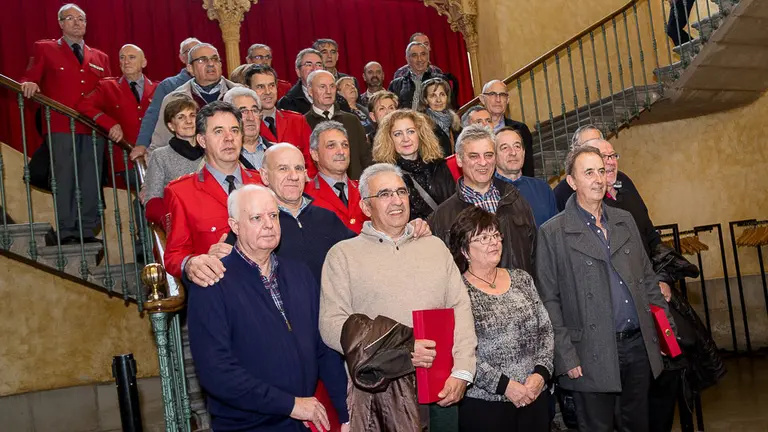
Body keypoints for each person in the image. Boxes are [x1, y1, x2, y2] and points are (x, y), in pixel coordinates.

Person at [319, 163, 477, 431]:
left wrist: (462, 369)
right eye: (384, 194)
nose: (396, 201)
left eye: (401, 192)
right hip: (381, 391)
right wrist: (401, 349)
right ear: (366, 207)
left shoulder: (434, 246)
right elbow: (332, 326)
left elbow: (460, 307)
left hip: (442, 384)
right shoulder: (343, 255)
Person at [186, 184, 349, 432]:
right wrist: (290, 405)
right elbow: (216, 372)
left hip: (303, 421)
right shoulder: (213, 282)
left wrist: (345, 414)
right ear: (235, 226)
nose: (269, 224)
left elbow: (323, 348)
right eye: (256, 218)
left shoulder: (299, 274)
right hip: (247, 425)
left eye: (273, 215)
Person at [535, 145, 673, 432]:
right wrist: (566, 355)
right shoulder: (552, 233)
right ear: (571, 182)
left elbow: (647, 280)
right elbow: (549, 301)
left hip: (637, 347)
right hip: (589, 353)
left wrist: (664, 333)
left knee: (638, 425)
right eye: (588, 173)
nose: (598, 179)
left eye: (601, 171)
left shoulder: (625, 220)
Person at [448, 207, 553, 432]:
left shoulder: (522, 278)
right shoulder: (457, 291)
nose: (493, 242)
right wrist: (505, 386)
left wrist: (541, 374)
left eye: (496, 235)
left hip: (535, 395)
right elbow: (462, 350)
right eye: (483, 238)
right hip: (486, 407)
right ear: (465, 250)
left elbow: (545, 330)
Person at [21, 3, 111, 244]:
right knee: (65, 178)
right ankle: (67, 229)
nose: (77, 22)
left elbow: (109, 93)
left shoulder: (100, 57)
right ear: (60, 23)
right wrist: (30, 83)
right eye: (70, 18)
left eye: (81, 19)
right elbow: (30, 77)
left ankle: (87, 229)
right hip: (60, 125)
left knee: (90, 179)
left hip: (93, 128)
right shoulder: (45, 48)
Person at [163, 101, 262, 283]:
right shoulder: (181, 192)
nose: (229, 138)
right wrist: (193, 263)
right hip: (218, 288)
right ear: (202, 140)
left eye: (234, 130)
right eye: (218, 131)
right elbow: (173, 256)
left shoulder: (263, 183)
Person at [429, 125, 537, 275]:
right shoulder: (442, 217)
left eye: (488, 155)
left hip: (520, 295)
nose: (483, 162)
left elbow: (534, 257)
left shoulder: (516, 200)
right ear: (459, 159)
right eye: (474, 156)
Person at [259, 143, 355, 281]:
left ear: (305, 175)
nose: (293, 176)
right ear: (265, 175)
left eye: (298, 169)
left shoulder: (327, 218)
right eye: (283, 168)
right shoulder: (255, 223)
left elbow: (359, 251)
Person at [77, 44, 157, 188]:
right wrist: (110, 123)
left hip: (155, 156)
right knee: (149, 191)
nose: (126, 61)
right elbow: (84, 105)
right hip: (128, 159)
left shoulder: (158, 88)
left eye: (131, 57)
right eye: (122, 57)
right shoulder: (108, 86)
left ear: (144, 62)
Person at [149, 43, 240, 154]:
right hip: (189, 165)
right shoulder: (174, 99)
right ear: (190, 68)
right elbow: (159, 144)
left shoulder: (241, 94)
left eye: (215, 59)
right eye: (202, 60)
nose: (211, 64)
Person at [372, 109, 455, 220]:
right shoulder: (386, 176)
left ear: (420, 134)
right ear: (389, 139)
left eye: (410, 131)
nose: (406, 139)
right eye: (398, 134)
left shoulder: (438, 165)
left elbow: (454, 205)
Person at [244, 64, 315, 178]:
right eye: (260, 87)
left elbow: (312, 163)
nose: (268, 92)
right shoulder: (245, 125)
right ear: (248, 90)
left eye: (271, 85)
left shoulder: (297, 121)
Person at [133, 37, 199, 160]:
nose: (193, 55)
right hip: (179, 150)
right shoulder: (169, 85)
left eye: (197, 51)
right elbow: (153, 115)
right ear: (181, 58)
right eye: (188, 51)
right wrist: (141, 144)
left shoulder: (218, 84)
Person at [142, 95, 201, 226]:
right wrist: (172, 223)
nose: (188, 121)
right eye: (181, 117)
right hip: (178, 223)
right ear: (171, 126)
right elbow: (152, 200)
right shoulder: (160, 156)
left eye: (192, 115)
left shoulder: (211, 151)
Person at [304, 70, 371, 179]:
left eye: (332, 86)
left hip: (354, 188)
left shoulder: (352, 121)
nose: (328, 91)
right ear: (310, 91)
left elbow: (365, 157)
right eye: (322, 87)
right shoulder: (302, 123)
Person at [304, 121, 368, 233]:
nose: (341, 151)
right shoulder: (305, 196)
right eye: (331, 145)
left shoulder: (365, 190)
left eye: (345, 145)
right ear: (315, 154)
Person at [494, 127, 557, 228]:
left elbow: (555, 231)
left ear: (523, 152)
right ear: (494, 156)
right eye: (505, 148)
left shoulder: (542, 189)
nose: (513, 153)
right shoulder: (488, 193)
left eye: (517, 146)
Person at [480, 80, 535, 177]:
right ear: (482, 99)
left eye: (502, 95)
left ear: (508, 100)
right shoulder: (475, 132)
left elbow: (527, 168)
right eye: (492, 94)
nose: (498, 99)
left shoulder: (520, 129)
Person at [277, 48, 351, 115]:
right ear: (298, 71)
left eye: (319, 64)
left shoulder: (339, 100)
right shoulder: (287, 102)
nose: (315, 69)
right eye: (308, 64)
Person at [553, 124, 604, 211]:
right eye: (589, 145)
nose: (596, 148)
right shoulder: (561, 193)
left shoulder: (620, 178)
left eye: (599, 142)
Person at [223, 87, 273, 170]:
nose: (251, 118)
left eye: (254, 110)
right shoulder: (222, 157)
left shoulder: (278, 151)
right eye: (243, 111)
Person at [389, 42, 442, 110]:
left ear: (428, 57)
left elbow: (450, 108)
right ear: (407, 59)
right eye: (414, 55)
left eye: (423, 54)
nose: (419, 59)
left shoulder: (440, 80)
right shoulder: (396, 84)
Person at [419, 77, 461, 157]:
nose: (438, 100)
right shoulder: (421, 125)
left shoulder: (455, 123)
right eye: (433, 96)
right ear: (425, 100)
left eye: (442, 94)